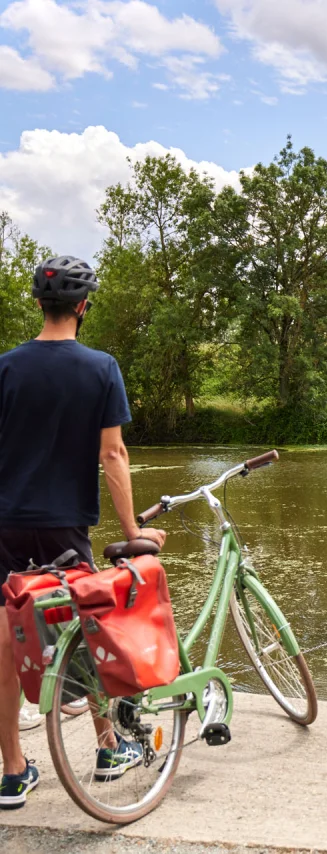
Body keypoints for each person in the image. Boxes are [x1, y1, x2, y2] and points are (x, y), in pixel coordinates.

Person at [0, 256, 166, 810]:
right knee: (85, 632)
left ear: (38, 304)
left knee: (6, 648)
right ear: (83, 306)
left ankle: (13, 773)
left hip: (6, 525)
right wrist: (133, 530)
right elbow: (113, 454)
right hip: (65, 526)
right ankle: (106, 746)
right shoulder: (101, 368)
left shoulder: (5, 368)